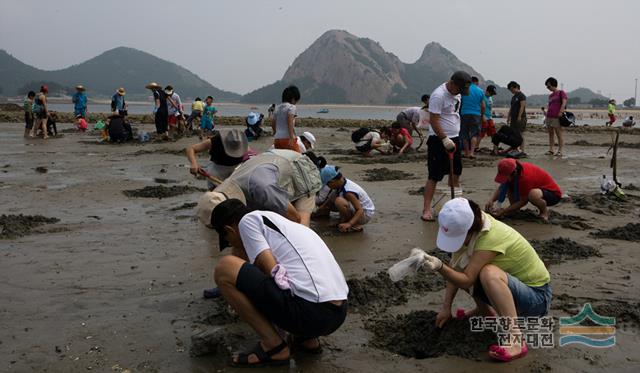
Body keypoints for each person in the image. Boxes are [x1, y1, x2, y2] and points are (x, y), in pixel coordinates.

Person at [209, 199, 348, 366]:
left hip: (311, 314)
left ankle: (274, 347)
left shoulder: (248, 221)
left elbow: (272, 270)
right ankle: (306, 339)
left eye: (229, 241)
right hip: (338, 312)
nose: (233, 245)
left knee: (225, 268)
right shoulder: (282, 224)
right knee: (296, 277)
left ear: (229, 229)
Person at [419, 198, 551, 362]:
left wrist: (439, 266)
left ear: (469, 229)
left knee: (488, 273)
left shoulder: (490, 237)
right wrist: (446, 308)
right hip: (512, 292)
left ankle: (515, 338)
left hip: (536, 299)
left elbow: (466, 280)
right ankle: (485, 312)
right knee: (467, 267)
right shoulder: (472, 224)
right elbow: (456, 269)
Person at [197, 149, 322, 228]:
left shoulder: (263, 188)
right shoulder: (224, 188)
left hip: (299, 169)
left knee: (300, 229)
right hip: (269, 165)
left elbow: (295, 217)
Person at [421, 71, 470, 222]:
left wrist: (454, 137)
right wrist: (444, 138)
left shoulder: (458, 94)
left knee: (456, 172)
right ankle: (427, 209)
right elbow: (434, 120)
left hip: (454, 138)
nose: (460, 92)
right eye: (459, 89)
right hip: (438, 139)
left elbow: (454, 114)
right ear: (452, 83)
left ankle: (454, 205)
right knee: (434, 175)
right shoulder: (438, 95)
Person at [485, 158, 562, 222]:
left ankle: (544, 212)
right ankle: (514, 209)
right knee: (508, 186)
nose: (504, 178)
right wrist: (491, 200)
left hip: (553, 195)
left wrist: (504, 211)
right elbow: (502, 187)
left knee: (533, 195)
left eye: (506, 176)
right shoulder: (515, 171)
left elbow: (523, 201)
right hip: (537, 191)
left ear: (514, 173)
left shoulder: (525, 177)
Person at [316, 165, 375, 232]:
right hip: (358, 210)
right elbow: (331, 198)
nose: (328, 186)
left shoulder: (348, 192)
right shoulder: (342, 182)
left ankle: (355, 225)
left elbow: (360, 210)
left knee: (339, 201)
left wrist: (349, 224)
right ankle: (343, 221)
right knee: (333, 197)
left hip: (365, 214)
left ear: (333, 181)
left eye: (328, 184)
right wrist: (322, 207)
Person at [459, 76, 486, 159]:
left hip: (464, 113)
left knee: (464, 134)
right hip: (476, 114)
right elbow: (483, 106)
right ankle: (472, 153)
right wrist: (482, 115)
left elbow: (460, 103)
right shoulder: (480, 91)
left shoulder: (464, 90)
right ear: (477, 82)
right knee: (474, 134)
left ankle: (466, 153)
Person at [544, 77, 568, 157]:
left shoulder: (561, 93)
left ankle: (560, 151)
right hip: (549, 116)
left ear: (553, 84)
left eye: (549, 86)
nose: (548, 88)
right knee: (550, 134)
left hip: (557, 116)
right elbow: (550, 105)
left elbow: (564, 103)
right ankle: (551, 150)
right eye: (547, 87)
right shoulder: (550, 96)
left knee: (559, 134)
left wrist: (561, 112)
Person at [272, 86, 301, 152]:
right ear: (293, 99)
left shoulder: (277, 108)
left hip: (277, 139)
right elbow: (289, 121)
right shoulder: (291, 107)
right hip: (287, 138)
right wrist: (291, 137)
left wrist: (275, 133)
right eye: (296, 101)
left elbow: (273, 123)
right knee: (297, 157)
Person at [506, 81, 527, 154]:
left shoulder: (522, 96)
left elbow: (522, 107)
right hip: (513, 118)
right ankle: (516, 148)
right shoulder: (513, 97)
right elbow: (511, 107)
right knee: (514, 134)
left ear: (515, 87)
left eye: (511, 89)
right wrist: (509, 116)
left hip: (520, 118)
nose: (511, 91)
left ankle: (522, 150)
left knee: (520, 134)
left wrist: (519, 116)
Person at [479, 85, 497, 149]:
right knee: (482, 133)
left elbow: (490, 108)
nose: (491, 95)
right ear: (487, 91)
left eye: (493, 94)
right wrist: (482, 115)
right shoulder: (482, 97)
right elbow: (480, 107)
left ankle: (495, 148)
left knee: (493, 133)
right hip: (483, 117)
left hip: (489, 117)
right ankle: (476, 147)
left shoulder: (490, 98)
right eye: (491, 93)